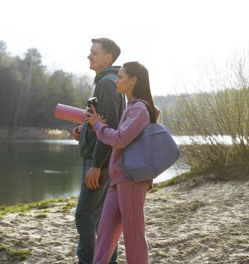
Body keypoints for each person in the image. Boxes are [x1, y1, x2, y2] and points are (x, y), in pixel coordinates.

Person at [86, 61, 158, 264]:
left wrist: (99, 126)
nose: (116, 80)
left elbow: (120, 139)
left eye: (120, 76)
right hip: (119, 176)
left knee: (134, 235)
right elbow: (119, 137)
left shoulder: (140, 110)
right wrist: (94, 127)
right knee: (105, 231)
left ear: (133, 81)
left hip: (132, 179)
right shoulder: (132, 108)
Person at [73, 38, 125, 264]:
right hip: (100, 158)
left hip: (99, 162)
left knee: (84, 216)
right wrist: (84, 130)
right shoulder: (107, 81)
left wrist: (96, 165)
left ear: (108, 58)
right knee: (101, 219)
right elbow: (100, 122)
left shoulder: (106, 83)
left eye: (94, 52)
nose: (89, 55)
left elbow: (111, 126)